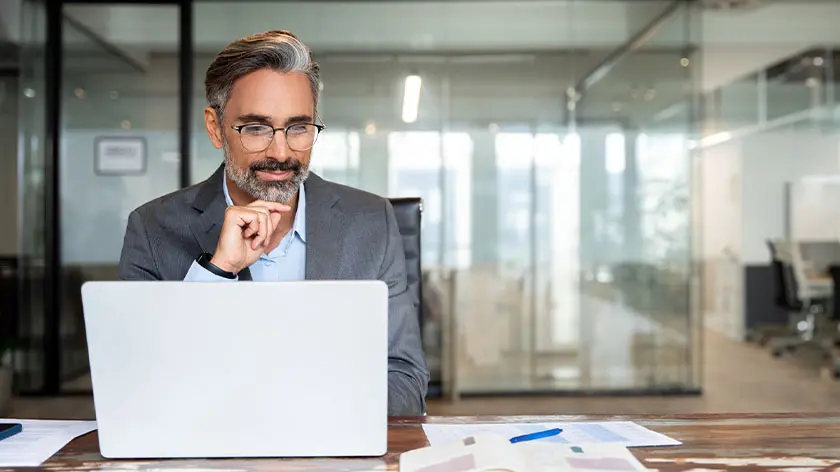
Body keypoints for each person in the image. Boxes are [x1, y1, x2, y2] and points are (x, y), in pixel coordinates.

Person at [117, 30, 429, 416]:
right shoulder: (152, 230)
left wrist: (294, 414)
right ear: (215, 127)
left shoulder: (372, 223)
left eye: (298, 127)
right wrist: (219, 270)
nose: (280, 153)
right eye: (256, 128)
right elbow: (134, 388)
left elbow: (405, 381)